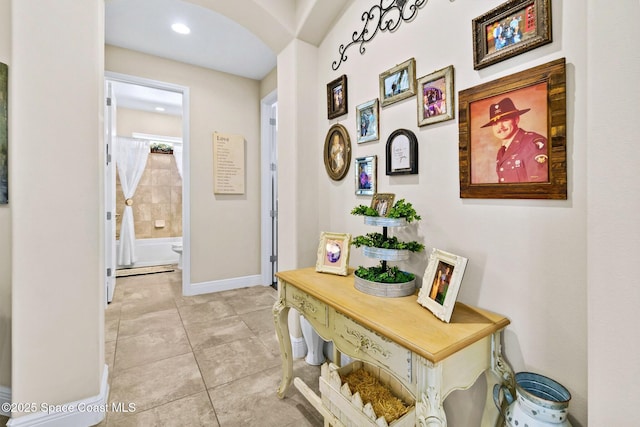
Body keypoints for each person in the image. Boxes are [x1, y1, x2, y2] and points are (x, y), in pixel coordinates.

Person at [480, 97, 549, 183]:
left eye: (505, 120)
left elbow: (540, 187)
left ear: (516, 120)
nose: (500, 127)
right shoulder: (501, 152)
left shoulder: (533, 144)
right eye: (495, 124)